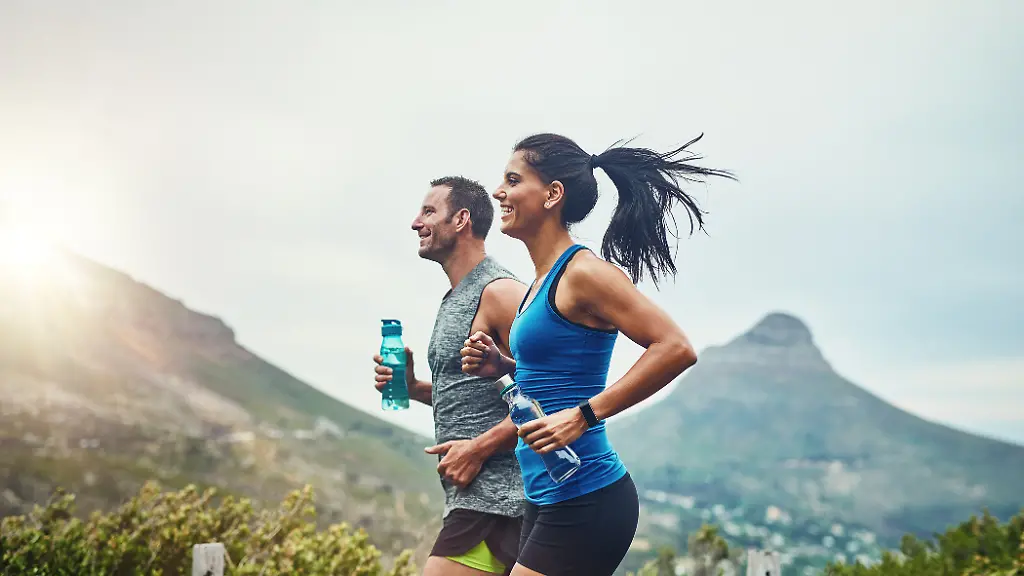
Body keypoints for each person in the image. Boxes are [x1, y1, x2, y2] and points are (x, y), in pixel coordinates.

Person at [460, 133, 736, 576]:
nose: (499, 192)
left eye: (513, 180)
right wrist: (503, 368)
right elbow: (553, 376)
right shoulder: (539, 283)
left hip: (586, 496)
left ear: (552, 194)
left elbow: (675, 348)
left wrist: (584, 415)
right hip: (546, 493)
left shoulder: (585, 273)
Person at [373, 176, 529, 576]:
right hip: (473, 500)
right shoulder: (457, 296)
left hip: (500, 501)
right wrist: (413, 388)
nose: (415, 223)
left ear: (461, 219)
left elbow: (547, 395)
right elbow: (476, 390)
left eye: (428, 212)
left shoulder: (500, 293)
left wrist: (478, 449)